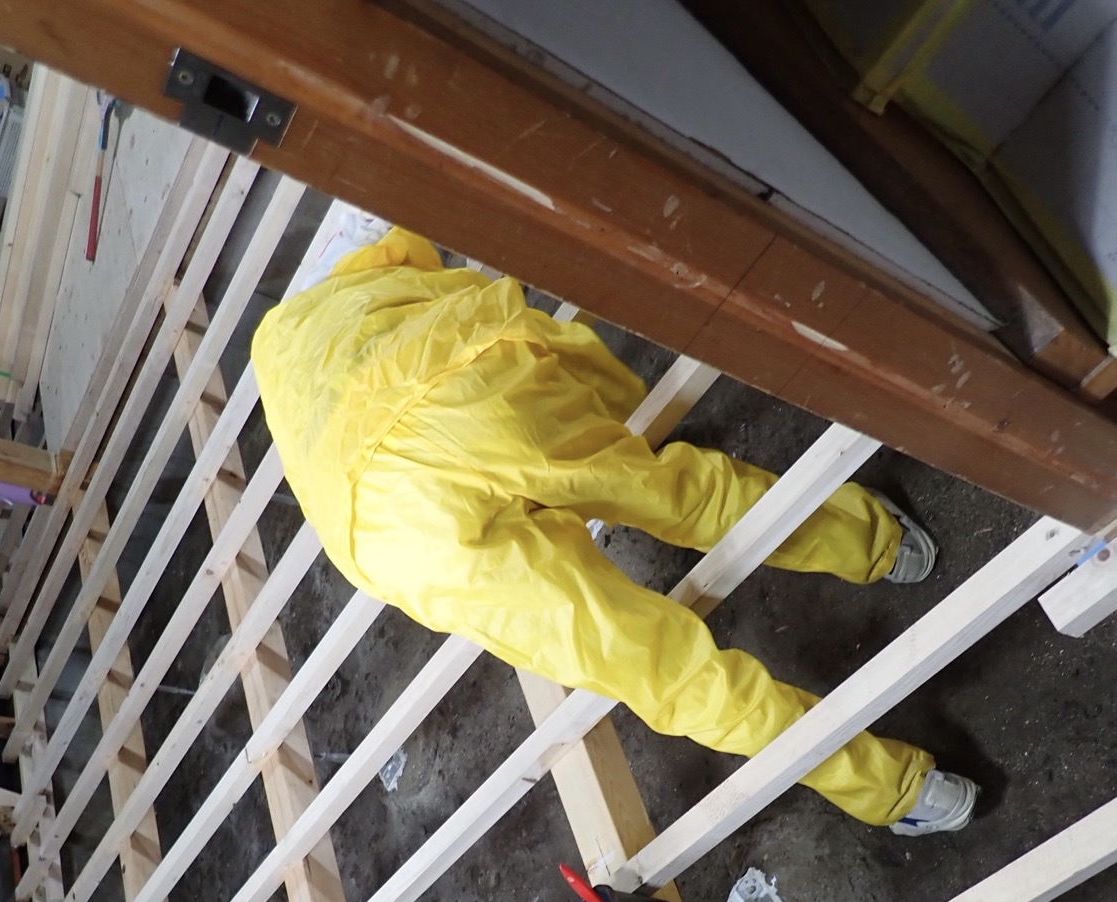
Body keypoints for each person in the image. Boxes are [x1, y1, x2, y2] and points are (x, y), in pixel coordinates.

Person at [252, 214, 979, 834]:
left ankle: (892, 789)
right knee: (668, 491)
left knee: (648, 664)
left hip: (397, 532)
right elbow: (430, 265)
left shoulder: (280, 348)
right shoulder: (331, 300)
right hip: (447, 386)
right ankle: (871, 539)